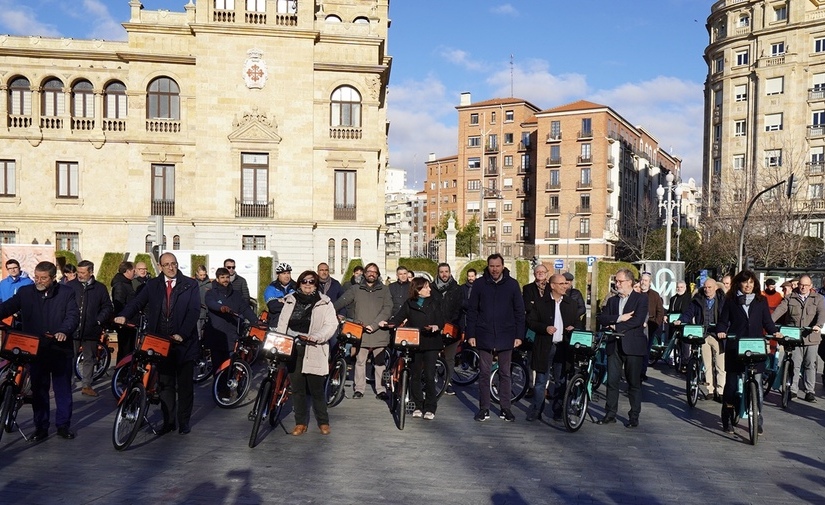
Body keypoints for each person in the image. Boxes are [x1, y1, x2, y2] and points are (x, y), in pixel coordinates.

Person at [113, 252, 200, 435]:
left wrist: (182, 334)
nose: (171, 267)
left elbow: (193, 311)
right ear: (160, 267)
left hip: (184, 343)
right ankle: (169, 422)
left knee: (184, 386)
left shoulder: (190, 285)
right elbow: (137, 302)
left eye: (174, 263)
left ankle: (183, 421)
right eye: (167, 264)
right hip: (161, 342)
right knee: (165, 384)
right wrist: (124, 315)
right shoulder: (153, 285)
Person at [0, 261, 79, 441]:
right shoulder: (25, 292)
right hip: (35, 349)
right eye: (36, 277)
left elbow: (73, 316)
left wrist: (64, 331)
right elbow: (8, 307)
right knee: (39, 390)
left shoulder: (66, 293)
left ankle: (63, 425)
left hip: (59, 349)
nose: (39, 280)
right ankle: (41, 427)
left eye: (43, 278)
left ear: (53, 278)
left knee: (62, 390)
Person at [275, 270, 338, 435]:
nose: (308, 284)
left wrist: (315, 337)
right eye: (304, 281)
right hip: (293, 347)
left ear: (316, 284)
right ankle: (300, 423)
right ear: (299, 283)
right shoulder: (290, 300)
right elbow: (282, 323)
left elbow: (331, 325)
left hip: (314, 347)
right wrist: (281, 340)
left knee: (316, 388)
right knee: (297, 388)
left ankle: (323, 422)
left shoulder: (325, 303)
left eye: (311, 281)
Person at [716, 270, 780, 434]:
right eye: (745, 282)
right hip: (736, 346)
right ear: (739, 283)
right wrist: (721, 331)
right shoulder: (731, 301)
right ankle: (727, 417)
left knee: (757, 384)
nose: (748, 285)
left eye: (751, 282)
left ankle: (757, 419)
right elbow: (723, 321)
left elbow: (767, 322)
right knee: (730, 385)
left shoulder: (761, 301)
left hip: (755, 346)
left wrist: (775, 332)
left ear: (755, 284)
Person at [466, 254, 525, 422]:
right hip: (484, 334)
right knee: (484, 373)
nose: (494, 269)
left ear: (503, 266)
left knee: (505, 373)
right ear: (488, 266)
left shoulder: (512, 285)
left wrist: (519, 335)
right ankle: (483, 408)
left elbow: (519, 312)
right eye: (491, 266)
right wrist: (471, 334)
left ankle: (505, 408)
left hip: (506, 334)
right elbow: (472, 312)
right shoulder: (479, 284)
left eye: (497, 266)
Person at [384, 277, 444, 419]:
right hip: (415, 342)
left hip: (431, 342)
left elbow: (441, 319)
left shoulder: (435, 302)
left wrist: (436, 326)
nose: (429, 289)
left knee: (429, 375)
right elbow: (398, 318)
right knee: (415, 375)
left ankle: (430, 407)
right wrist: (388, 323)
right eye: (426, 287)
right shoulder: (409, 304)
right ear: (418, 290)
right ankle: (418, 404)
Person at [596, 268, 648, 428]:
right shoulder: (612, 301)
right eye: (616, 281)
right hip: (614, 345)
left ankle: (634, 416)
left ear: (630, 282)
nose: (616, 284)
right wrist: (619, 318)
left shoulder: (641, 299)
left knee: (633, 382)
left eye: (620, 281)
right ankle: (610, 413)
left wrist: (616, 326)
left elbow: (637, 320)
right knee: (612, 381)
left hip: (633, 345)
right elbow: (602, 318)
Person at [333, 262, 393, 400]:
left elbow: (388, 309)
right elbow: (341, 301)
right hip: (361, 331)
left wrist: (375, 325)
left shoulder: (384, 290)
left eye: (374, 272)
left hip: (379, 331)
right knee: (360, 361)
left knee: (379, 363)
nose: (371, 274)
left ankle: (381, 389)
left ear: (377, 275)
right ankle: (359, 389)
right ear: (364, 273)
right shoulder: (355, 289)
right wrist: (328, 309)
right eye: (369, 271)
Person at [525, 273, 577, 421]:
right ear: (552, 285)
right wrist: (545, 328)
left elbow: (578, 324)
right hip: (545, 346)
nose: (565, 286)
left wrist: (573, 328)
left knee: (561, 381)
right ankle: (537, 410)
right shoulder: (541, 303)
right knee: (541, 380)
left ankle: (558, 411)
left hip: (563, 347)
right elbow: (531, 321)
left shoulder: (571, 304)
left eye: (566, 283)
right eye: (561, 284)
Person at [770, 274, 824, 402]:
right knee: (795, 363)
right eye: (801, 285)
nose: (803, 287)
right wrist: (769, 322)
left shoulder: (818, 298)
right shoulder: (790, 298)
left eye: (806, 285)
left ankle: (809, 391)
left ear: (811, 286)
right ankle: (792, 390)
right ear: (798, 285)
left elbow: (822, 313)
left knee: (810, 364)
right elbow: (780, 310)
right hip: (794, 336)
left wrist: (818, 325)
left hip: (811, 336)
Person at [673, 278, 727, 402]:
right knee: (707, 364)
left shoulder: (723, 300)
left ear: (715, 288)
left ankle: (721, 390)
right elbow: (688, 313)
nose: (707, 290)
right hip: (703, 334)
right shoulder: (697, 300)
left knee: (720, 365)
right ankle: (710, 390)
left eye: (710, 287)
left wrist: (724, 330)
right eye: (705, 287)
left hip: (718, 335)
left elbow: (727, 317)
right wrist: (681, 320)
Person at [66, 260, 113, 397]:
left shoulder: (100, 288)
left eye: (82, 272)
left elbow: (107, 307)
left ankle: (86, 385)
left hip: (91, 329)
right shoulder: (70, 286)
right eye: (78, 272)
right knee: (70, 357)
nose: (79, 275)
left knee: (89, 358)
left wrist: (98, 320)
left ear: (91, 272)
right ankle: (67, 384)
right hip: (72, 328)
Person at [204, 267, 257, 373]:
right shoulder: (211, 293)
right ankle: (218, 388)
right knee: (218, 367)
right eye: (222, 277)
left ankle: (226, 388)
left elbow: (245, 309)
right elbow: (210, 303)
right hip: (217, 336)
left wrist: (255, 321)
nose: (225, 280)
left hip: (232, 335)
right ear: (217, 279)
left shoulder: (236, 294)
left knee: (229, 366)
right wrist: (221, 308)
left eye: (227, 277)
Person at [433, 262, 463, 396]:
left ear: (450, 273)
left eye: (446, 271)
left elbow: (460, 308)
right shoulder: (432, 288)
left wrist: (454, 324)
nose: (444, 274)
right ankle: (431, 379)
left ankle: (447, 382)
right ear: (438, 273)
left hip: (452, 327)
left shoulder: (457, 288)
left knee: (450, 358)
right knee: (432, 356)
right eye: (441, 272)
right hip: (435, 327)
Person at [110, 261, 137, 364]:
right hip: (125, 323)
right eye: (133, 270)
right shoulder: (120, 285)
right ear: (127, 271)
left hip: (130, 321)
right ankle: (122, 372)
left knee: (129, 348)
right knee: (125, 349)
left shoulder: (126, 283)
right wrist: (122, 317)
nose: (135, 273)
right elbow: (119, 304)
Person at [640, 272, 664, 381]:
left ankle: (642, 372)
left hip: (650, 325)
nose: (643, 282)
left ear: (650, 283)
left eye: (646, 280)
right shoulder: (636, 293)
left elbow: (660, 311)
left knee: (645, 350)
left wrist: (656, 324)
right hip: (637, 326)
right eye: (642, 280)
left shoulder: (655, 295)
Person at [264, 262, 296, 327]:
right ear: (277, 275)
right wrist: (291, 304)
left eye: (288, 273)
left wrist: (283, 301)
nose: (287, 276)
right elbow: (273, 307)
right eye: (284, 273)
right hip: (276, 322)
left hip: (293, 322)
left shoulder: (296, 287)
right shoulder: (271, 287)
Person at [195, 265, 211, 337]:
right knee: (198, 332)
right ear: (197, 273)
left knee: (206, 332)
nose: (203, 277)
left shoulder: (210, 284)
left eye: (204, 274)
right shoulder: (193, 283)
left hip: (207, 312)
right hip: (197, 312)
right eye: (201, 275)